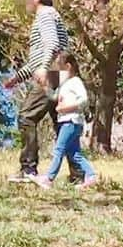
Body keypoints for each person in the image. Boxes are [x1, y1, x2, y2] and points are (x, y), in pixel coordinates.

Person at [2, 0, 81, 183]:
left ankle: (28, 169)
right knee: (62, 123)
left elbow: (52, 45)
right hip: (60, 72)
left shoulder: (45, 15)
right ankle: (79, 174)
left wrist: (46, 69)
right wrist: (17, 78)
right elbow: (37, 59)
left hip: (53, 73)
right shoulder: (49, 16)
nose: (24, 1)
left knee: (27, 116)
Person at [33, 50, 97, 189]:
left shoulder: (76, 82)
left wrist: (67, 108)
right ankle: (91, 176)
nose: (58, 71)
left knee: (59, 149)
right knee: (74, 154)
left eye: (60, 68)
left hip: (72, 121)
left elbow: (84, 100)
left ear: (68, 67)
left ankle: (49, 179)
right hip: (66, 121)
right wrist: (44, 87)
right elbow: (55, 97)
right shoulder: (65, 84)